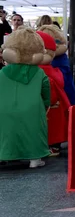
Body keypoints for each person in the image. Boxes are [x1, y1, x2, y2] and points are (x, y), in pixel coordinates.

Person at [0, 28, 50, 168]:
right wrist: (46, 104)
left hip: (4, 108)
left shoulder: (3, 72)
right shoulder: (39, 72)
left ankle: (4, 155)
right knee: (33, 131)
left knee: (5, 131)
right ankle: (34, 159)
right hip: (32, 108)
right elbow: (46, 90)